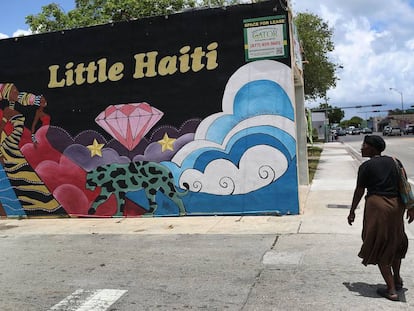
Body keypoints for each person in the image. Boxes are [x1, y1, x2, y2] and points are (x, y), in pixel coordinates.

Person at [347, 135, 414, 301]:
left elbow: (359, 191)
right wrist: (411, 207)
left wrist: (352, 210)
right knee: (395, 242)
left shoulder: (366, 166)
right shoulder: (395, 161)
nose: (362, 148)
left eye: (364, 145)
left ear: (372, 148)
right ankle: (397, 279)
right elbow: (405, 185)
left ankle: (391, 290)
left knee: (379, 244)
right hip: (396, 206)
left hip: (378, 207)